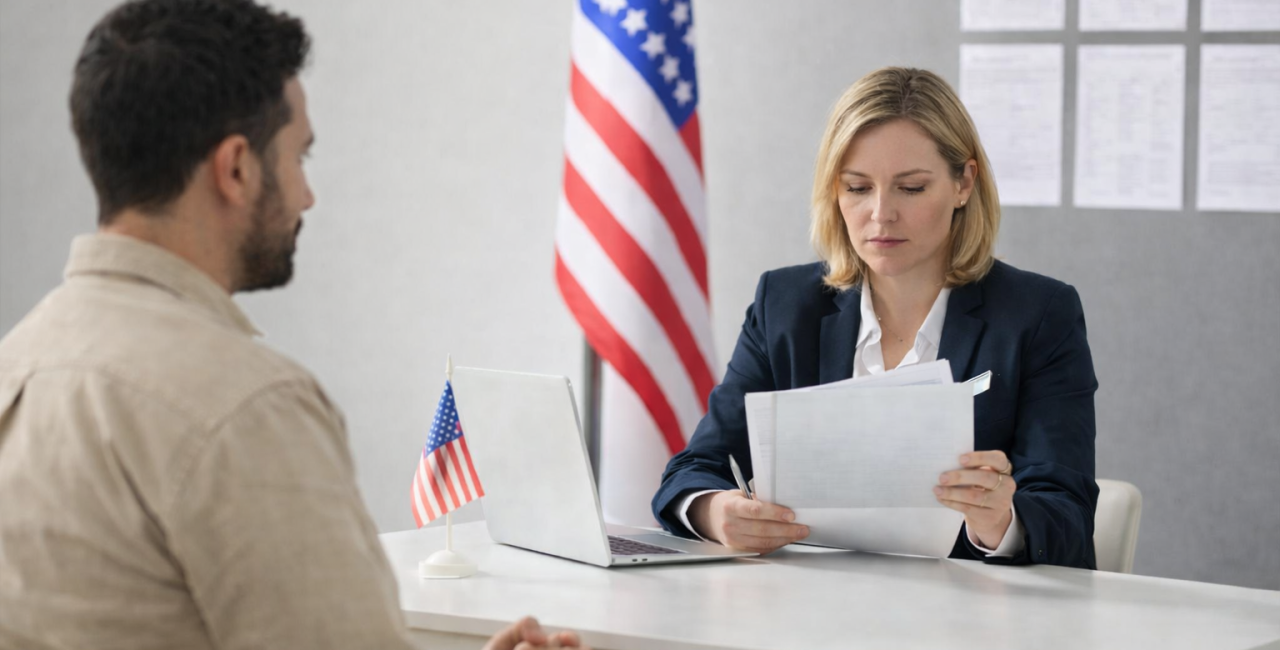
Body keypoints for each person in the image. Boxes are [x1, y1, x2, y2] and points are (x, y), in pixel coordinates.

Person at [0, 1, 583, 648]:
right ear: (237, 168)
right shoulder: (246, 406)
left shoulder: (16, 364)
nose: (307, 195)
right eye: (299, 156)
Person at [652, 67, 1098, 569]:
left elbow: (1069, 521)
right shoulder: (785, 303)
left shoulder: (1038, 315)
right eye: (858, 187)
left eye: (910, 188)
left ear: (963, 183)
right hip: (803, 612)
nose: (880, 214)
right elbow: (692, 471)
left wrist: (1000, 519)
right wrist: (716, 512)